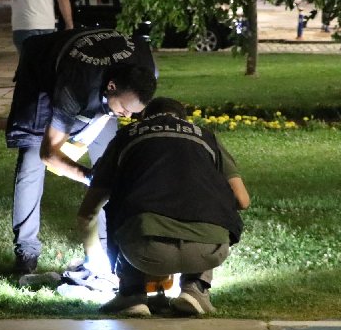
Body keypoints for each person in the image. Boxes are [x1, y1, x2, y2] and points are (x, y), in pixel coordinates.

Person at [76, 97, 250, 316]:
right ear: (184, 121)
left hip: (143, 250)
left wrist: (94, 260)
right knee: (214, 204)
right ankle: (195, 288)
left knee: (121, 202)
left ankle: (131, 294)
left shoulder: (126, 136)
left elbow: (88, 212)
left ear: (145, 118)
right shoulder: (207, 137)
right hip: (208, 249)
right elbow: (242, 200)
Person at [5, 28, 157, 275]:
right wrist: (89, 177)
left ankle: (109, 248)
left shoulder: (144, 73)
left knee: (109, 159)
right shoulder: (76, 87)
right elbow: (48, 154)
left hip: (101, 81)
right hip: (43, 74)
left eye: (133, 112)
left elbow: (121, 111)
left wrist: (108, 173)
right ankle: (27, 251)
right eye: (125, 109)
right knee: (32, 162)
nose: (128, 116)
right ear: (110, 86)